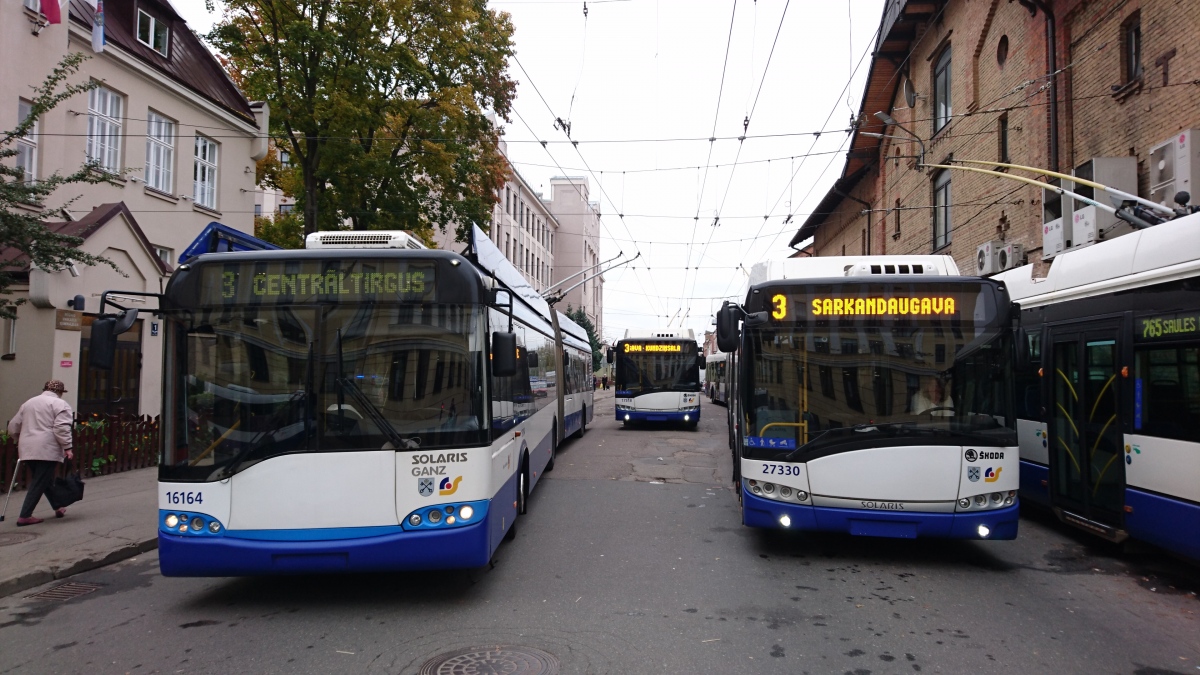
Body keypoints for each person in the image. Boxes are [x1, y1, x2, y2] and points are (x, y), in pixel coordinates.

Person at [7, 380, 75, 526]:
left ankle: (58, 507)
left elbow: (13, 426)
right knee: (40, 481)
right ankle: (24, 516)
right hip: (46, 448)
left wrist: (21, 439)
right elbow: (61, 428)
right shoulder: (61, 405)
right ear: (60, 392)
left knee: (44, 479)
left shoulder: (29, 403)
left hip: (27, 448)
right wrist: (68, 447)